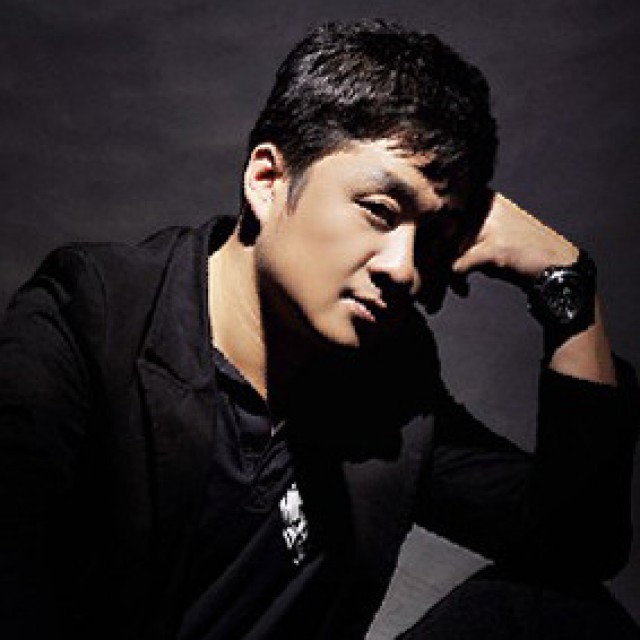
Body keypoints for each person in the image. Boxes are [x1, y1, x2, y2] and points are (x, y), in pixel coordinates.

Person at [0, 18, 638, 640]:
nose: (403, 268)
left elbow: (577, 545)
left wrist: (565, 283)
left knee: (553, 613)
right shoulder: (89, 323)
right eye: (379, 211)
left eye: (431, 238)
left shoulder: (388, 382)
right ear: (267, 181)